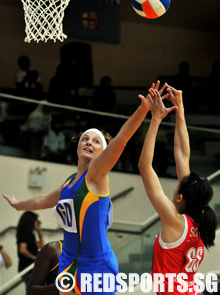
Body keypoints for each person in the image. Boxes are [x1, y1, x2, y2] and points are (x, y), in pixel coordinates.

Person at [3, 81, 162, 295]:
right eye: (85, 139)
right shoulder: (70, 181)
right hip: (71, 261)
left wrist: (143, 110)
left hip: (96, 265)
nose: (88, 142)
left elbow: (122, 139)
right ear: (77, 147)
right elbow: (43, 200)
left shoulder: (96, 173)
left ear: (102, 153)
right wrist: (18, 205)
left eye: (96, 141)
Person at [138, 85, 217, 295]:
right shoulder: (198, 222)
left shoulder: (173, 218)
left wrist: (155, 120)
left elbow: (145, 168)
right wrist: (179, 109)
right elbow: (182, 155)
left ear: (180, 197)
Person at [16, 211, 45, 286]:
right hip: (28, 269)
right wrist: (35, 258)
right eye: (36, 221)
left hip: (31, 269)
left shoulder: (30, 235)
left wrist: (39, 231)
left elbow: (42, 246)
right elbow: (23, 250)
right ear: (31, 221)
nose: (37, 223)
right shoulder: (25, 233)